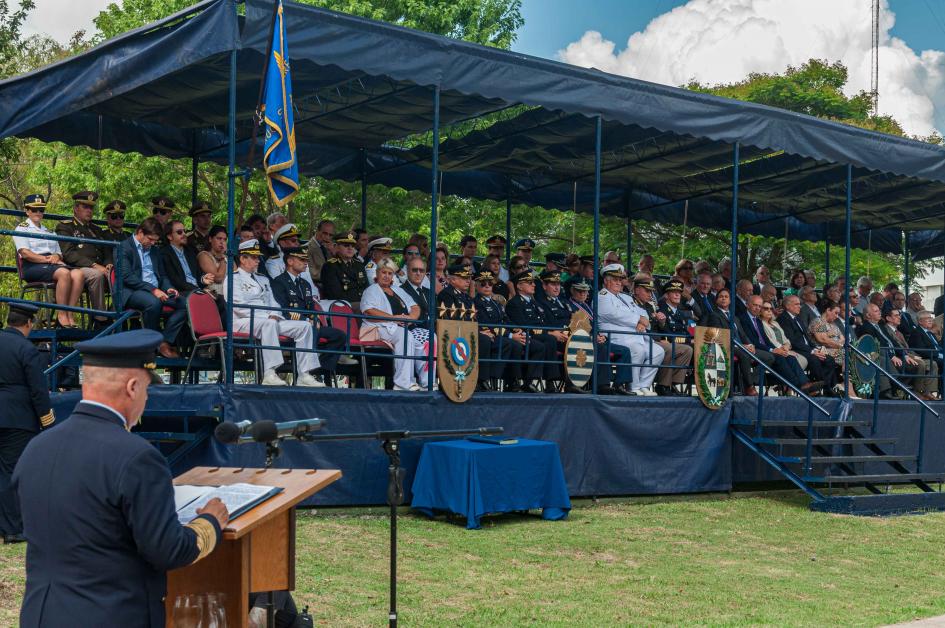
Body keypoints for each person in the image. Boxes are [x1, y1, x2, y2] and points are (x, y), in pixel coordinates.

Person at [13, 329, 228, 627]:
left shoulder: (37, 447)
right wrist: (211, 523)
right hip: (110, 615)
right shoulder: (137, 456)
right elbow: (167, 550)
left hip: (40, 614)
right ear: (132, 387)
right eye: (147, 390)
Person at [224, 240, 325, 387]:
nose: (258, 260)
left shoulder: (263, 279)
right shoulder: (233, 278)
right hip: (244, 321)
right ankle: (269, 372)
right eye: (253, 257)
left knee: (304, 326)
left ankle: (304, 374)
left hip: (268, 320)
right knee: (269, 323)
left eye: (258, 257)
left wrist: (275, 314)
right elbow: (238, 307)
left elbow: (274, 303)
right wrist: (268, 316)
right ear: (242, 259)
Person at [0, 303, 54, 545]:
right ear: (28, 323)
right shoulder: (26, 349)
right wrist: (47, 422)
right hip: (17, 418)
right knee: (11, 473)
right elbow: (38, 391)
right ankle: (12, 529)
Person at [270, 247, 350, 377]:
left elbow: (311, 308)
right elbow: (284, 309)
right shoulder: (279, 282)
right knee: (310, 329)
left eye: (306, 259)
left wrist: (316, 319)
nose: (305, 262)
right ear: (290, 261)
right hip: (291, 324)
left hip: (310, 324)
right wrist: (307, 320)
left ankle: (321, 369)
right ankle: (306, 372)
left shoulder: (305, 283)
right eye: (301, 259)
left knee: (339, 335)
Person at [117, 217, 189, 359]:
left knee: (185, 303)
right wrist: (153, 290)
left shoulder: (154, 250)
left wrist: (168, 288)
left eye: (155, 240)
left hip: (156, 290)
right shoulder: (124, 247)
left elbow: (162, 276)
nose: (152, 243)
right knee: (153, 303)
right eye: (150, 239)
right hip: (132, 291)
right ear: (140, 232)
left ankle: (164, 341)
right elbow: (127, 277)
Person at [13, 194, 86, 328]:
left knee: (78, 274)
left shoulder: (49, 231)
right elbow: (25, 253)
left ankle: (70, 312)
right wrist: (48, 259)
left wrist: (56, 257)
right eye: (34, 210)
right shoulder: (21, 228)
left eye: (41, 210)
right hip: (32, 266)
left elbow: (58, 252)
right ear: (27, 210)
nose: (38, 213)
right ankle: (61, 314)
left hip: (52, 264)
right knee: (64, 273)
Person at [597, 264, 664, 396]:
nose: (618, 282)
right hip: (616, 337)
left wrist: (642, 322)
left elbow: (643, 313)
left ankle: (644, 385)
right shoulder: (602, 296)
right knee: (637, 349)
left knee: (658, 351)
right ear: (605, 280)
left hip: (636, 336)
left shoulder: (625, 297)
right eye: (614, 279)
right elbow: (614, 314)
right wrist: (638, 320)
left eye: (619, 279)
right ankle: (633, 386)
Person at [360, 258, 426, 391]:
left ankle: (425, 382)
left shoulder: (397, 290)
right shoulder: (371, 290)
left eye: (390, 274)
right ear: (377, 273)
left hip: (400, 327)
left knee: (427, 337)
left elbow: (415, 307)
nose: (386, 276)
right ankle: (402, 383)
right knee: (404, 336)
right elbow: (369, 311)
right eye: (384, 272)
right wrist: (392, 318)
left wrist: (410, 319)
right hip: (376, 328)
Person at [55, 190, 110, 324]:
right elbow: (68, 253)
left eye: (91, 207)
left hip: (100, 267)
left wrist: (109, 263)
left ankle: (121, 316)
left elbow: (107, 250)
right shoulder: (65, 227)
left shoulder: (96, 229)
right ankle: (100, 319)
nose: (89, 210)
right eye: (85, 207)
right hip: (75, 268)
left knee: (120, 273)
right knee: (96, 275)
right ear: (75, 209)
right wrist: (96, 266)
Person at [740, 294, 811, 392]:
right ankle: (798, 385)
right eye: (755, 305)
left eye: (759, 306)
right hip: (755, 348)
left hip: (765, 348)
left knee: (790, 357)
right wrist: (773, 349)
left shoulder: (758, 320)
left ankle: (805, 383)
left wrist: (777, 349)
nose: (757, 308)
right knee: (779, 357)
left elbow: (766, 340)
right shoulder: (743, 319)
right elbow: (753, 341)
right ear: (747, 305)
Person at [472, 270, 524, 392]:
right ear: (476, 286)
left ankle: (513, 381)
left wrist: (518, 330)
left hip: (500, 335)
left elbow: (506, 320)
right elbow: (488, 326)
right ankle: (490, 379)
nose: (487, 286)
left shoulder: (496, 303)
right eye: (483, 284)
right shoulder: (476, 303)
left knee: (517, 345)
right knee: (507, 343)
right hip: (490, 335)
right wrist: (510, 335)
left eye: (490, 284)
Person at [503, 270, 553, 393]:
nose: (534, 285)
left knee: (552, 340)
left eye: (533, 282)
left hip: (537, 334)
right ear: (519, 286)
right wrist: (548, 333)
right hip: (527, 334)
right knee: (547, 341)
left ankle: (549, 380)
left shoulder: (534, 303)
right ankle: (530, 381)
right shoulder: (514, 303)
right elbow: (523, 326)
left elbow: (544, 322)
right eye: (529, 282)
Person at [778, 294, 838, 395]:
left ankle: (827, 388)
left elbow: (808, 338)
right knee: (814, 359)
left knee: (829, 359)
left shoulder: (797, 318)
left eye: (799, 304)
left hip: (809, 348)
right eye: (796, 304)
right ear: (788, 306)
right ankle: (825, 388)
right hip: (798, 349)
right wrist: (813, 351)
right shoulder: (783, 319)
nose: (799, 306)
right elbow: (793, 341)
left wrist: (816, 348)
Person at [760, 300, 820, 394]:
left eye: (771, 308)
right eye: (766, 308)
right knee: (790, 357)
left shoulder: (775, 323)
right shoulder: (761, 324)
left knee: (791, 357)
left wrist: (786, 346)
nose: (769, 311)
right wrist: (782, 348)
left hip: (784, 349)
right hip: (775, 350)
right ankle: (803, 386)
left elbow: (785, 339)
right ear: (760, 311)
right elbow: (769, 340)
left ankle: (805, 385)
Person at [535, 270, 578, 393]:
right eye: (553, 284)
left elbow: (578, 318)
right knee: (569, 345)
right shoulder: (541, 303)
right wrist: (557, 332)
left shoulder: (565, 303)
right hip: (557, 336)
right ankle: (568, 384)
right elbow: (546, 323)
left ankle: (589, 383)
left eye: (558, 284)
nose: (556, 287)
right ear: (544, 286)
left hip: (571, 335)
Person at [653, 278, 694, 396]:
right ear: (666, 295)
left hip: (681, 344)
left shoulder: (680, 313)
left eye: (679, 292)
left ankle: (674, 385)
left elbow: (686, 331)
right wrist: (688, 340)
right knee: (684, 349)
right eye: (673, 292)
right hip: (665, 343)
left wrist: (690, 338)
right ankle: (664, 386)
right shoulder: (662, 310)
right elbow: (668, 335)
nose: (677, 294)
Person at [808, 301, 858, 398]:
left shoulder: (833, 325)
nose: (837, 316)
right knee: (848, 355)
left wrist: (831, 337)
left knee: (855, 356)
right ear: (828, 310)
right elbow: (823, 340)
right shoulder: (818, 322)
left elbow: (843, 339)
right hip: (823, 351)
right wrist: (838, 342)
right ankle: (848, 388)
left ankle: (848, 387)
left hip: (836, 350)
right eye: (835, 313)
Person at [161, 220, 214, 296]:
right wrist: (198, 290)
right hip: (181, 292)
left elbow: (198, 273)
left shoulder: (190, 251)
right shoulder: (164, 254)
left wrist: (203, 279)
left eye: (184, 231)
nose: (184, 234)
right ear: (169, 236)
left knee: (221, 301)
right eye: (179, 232)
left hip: (197, 290)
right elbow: (175, 281)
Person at [321, 232, 369, 309]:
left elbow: (367, 288)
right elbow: (335, 294)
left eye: (352, 246)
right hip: (342, 305)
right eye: (346, 245)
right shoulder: (330, 266)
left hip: (362, 304)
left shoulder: (359, 265)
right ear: (337, 247)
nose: (350, 248)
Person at [197, 225, 229, 298]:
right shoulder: (204, 255)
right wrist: (222, 257)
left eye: (224, 239)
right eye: (219, 238)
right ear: (210, 239)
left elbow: (235, 275)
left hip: (229, 297)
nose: (222, 242)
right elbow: (218, 278)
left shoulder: (227, 257)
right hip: (214, 297)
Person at [307, 219, 336, 284]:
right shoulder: (307, 248)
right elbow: (312, 273)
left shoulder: (332, 248)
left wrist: (334, 254)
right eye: (325, 233)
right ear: (317, 231)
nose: (327, 237)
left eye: (330, 235)